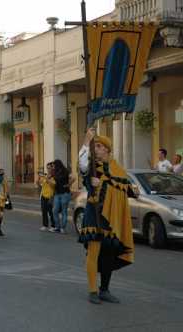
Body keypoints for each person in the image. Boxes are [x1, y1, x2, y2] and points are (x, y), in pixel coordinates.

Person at [78, 128, 137, 304]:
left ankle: (105, 290)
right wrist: (86, 140)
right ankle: (92, 291)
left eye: (98, 146)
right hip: (94, 214)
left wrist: (134, 191)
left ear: (107, 149)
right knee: (93, 253)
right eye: (94, 146)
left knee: (108, 254)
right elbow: (81, 164)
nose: (95, 149)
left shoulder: (118, 169)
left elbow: (127, 188)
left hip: (112, 218)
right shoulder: (91, 167)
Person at [51, 160, 75, 234]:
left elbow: (73, 178)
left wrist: (68, 184)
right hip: (57, 193)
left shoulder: (65, 171)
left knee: (64, 211)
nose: (53, 166)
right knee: (55, 210)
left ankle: (62, 228)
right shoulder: (55, 172)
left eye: (53, 165)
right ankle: (57, 227)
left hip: (65, 193)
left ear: (57, 165)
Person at [38, 162, 55, 231]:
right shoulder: (45, 176)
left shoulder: (54, 176)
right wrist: (39, 180)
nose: (48, 169)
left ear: (52, 168)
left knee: (51, 212)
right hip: (43, 195)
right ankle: (45, 225)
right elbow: (41, 184)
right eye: (47, 168)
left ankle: (53, 226)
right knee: (44, 211)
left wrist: (47, 180)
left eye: (49, 168)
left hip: (50, 196)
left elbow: (54, 185)